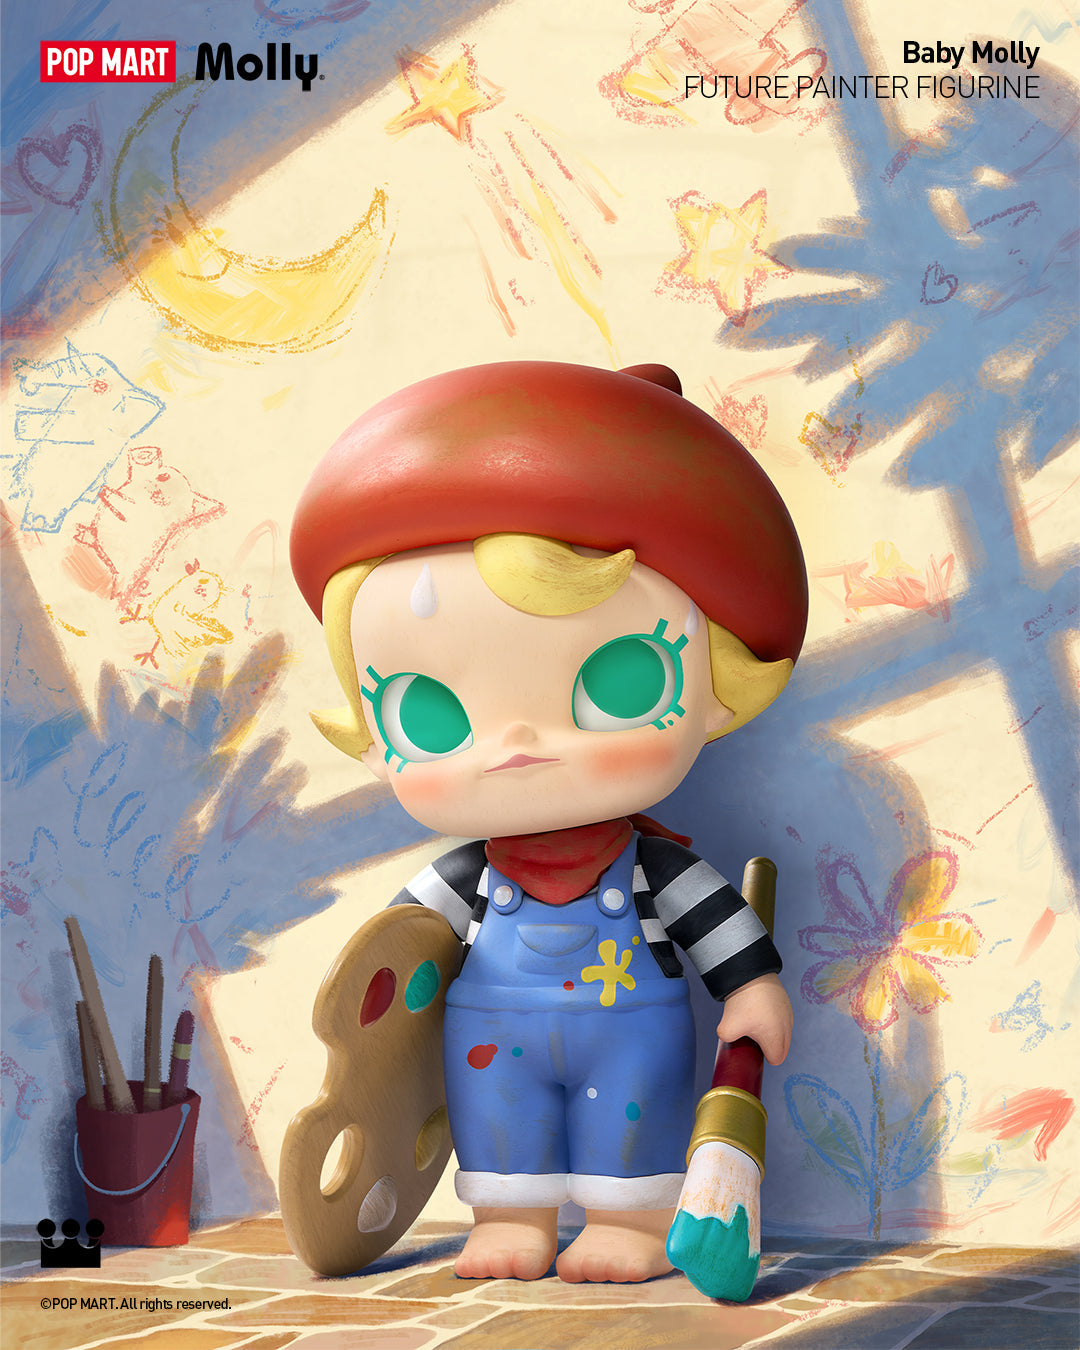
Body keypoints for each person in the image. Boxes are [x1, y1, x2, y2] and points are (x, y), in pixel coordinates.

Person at [290, 360, 807, 1283]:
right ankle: (512, 1214)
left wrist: (751, 984)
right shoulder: (467, 876)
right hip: (491, 1037)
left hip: (632, 1034)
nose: (515, 744)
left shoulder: (653, 866)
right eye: (428, 715)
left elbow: (714, 922)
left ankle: (630, 1222)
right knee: (500, 1118)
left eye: (619, 682)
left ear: (718, 688)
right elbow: (402, 946)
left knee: (632, 1115)